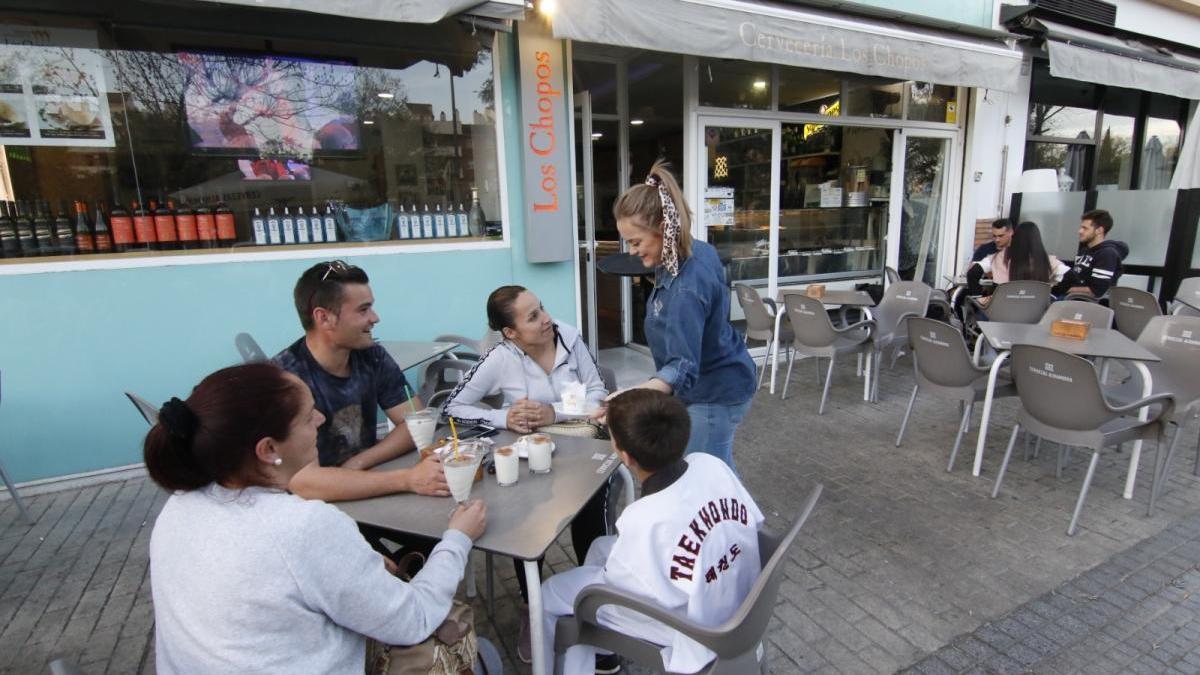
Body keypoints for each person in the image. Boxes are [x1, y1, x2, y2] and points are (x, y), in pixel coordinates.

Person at [146, 362, 487, 674]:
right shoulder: (301, 525)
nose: (321, 419)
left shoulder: (180, 505)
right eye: (308, 416)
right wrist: (457, 538)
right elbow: (413, 618)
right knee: (464, 642)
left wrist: (355, 564)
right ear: (268, 450)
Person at [442, 285, 612, 666]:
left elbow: (600, 395)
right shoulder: (500, 358)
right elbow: (452, 407)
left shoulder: (569, 337)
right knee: (526, 525)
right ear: (510, 333)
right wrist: (504, 417)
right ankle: (531, 609)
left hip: (584, 450)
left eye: (543, 309)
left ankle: (599, 609)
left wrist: (556, 414)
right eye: (532, 316)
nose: (546, 319)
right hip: (531, 456)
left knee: (590, 519)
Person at [541, 389, 764, 675]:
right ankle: (603, 655)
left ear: (624, 454)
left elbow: (620, 588)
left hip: (693, 629)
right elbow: (754, 522)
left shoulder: (643, 518)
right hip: (734, 593)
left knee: (550, 595)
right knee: (599, 546)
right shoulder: (711, 465)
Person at [609, 161, 756, 470]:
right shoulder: (694, 250)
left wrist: (635, 394)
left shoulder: (686, 289)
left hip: (715, 390)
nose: (632, 251)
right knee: (716, 470)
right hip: (723, 373)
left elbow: (684, 366)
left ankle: (742, 519)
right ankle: (741, 515)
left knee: (706, 477)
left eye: (636, 242)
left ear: (664, 228)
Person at [273, 260, 448, 502]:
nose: (375, 318)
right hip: (312, 508)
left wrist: (358, 462)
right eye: (363, 310)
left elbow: (416, 424)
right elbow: (304, 482)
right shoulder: (285, 380)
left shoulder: (372, 357)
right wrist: (407, 479)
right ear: (324, 318)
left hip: (367, 485)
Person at [966, 221, 1069, 301]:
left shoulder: (1000, 257)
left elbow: (972, 273)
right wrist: (1051, 292)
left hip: (1001, 314)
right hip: (1036, 317)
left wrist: (977, 297)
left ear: (1014, 236)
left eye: (1000, 236)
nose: (997, 239)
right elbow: (1072, 280)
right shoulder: (1048, 261)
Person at [1052, 209, 1129, 299]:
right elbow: (1077, 278)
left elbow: (1096, 291)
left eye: (1085, 228)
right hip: (1071, 300)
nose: (1080, 231)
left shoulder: (1107, 254)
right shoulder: (1084, 251)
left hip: (1087, 306)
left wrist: (1061, 289)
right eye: (1081, 227)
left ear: (1099, 230)